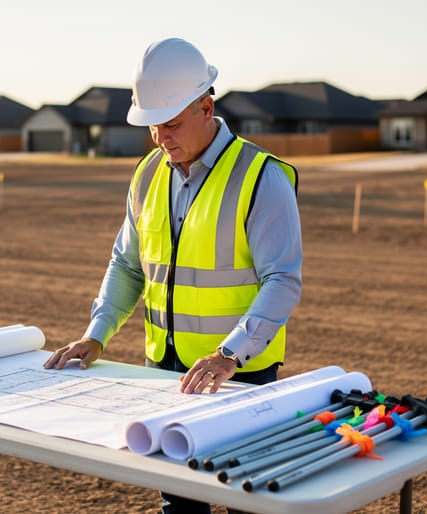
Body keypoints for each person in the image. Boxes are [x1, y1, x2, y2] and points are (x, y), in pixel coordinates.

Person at [44, 37, 302, 513]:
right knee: (179, 504)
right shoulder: (146, 174)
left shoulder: (261, 176)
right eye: (152, 127)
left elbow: (282, 279)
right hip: (164, 373)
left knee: (244, 498)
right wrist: (96, 335)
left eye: (170, 124)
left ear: (206, 107)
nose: (161, 138)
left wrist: (231, 354)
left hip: (237, 375)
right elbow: (127, 265)